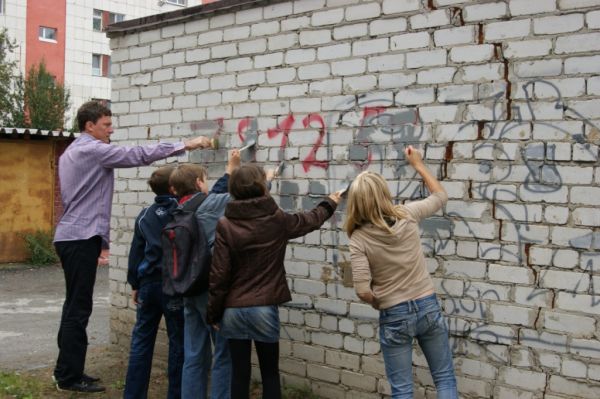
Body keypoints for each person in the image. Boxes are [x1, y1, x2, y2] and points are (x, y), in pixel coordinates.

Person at [53, 100, 213, 393]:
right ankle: (68, 376)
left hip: (72, 235)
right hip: (78, 237)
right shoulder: (91, 149)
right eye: (106, 125)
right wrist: (185, 145)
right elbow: (136, 154)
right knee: (78, 307)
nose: (111, 130)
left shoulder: (72, 152)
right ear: (89, 126)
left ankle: (67, 370)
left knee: (74, 305)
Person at [207, 164, 341, 399]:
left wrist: (214, 314)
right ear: (262, 187)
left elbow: (219, 275)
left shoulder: (225, 224)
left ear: (233, 189)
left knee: (239, 375)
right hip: (264, 308)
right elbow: (310, 220)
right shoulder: (276, 219)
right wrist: (329, 203)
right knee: (270, 374)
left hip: (233, 309)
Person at [344, 145, 457, 399]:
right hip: (427, 305)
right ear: (384, 193)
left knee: (402, 391)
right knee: (444, 379)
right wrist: (417, 164)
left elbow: (362, 290)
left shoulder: (358, 239)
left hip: (394, 313)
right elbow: (440, 196)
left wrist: (379, 302)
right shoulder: (407, 214)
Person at [170, 150, 240, 399]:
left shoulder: (176, 209)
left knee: (194, 354)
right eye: (205, 179)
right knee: (223, 353)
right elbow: (246, 197)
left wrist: (230, 169)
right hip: (213, 290)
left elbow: (217, 192)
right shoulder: (214, 204)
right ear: (199, 183)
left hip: (188, 287)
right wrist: (268, 178)